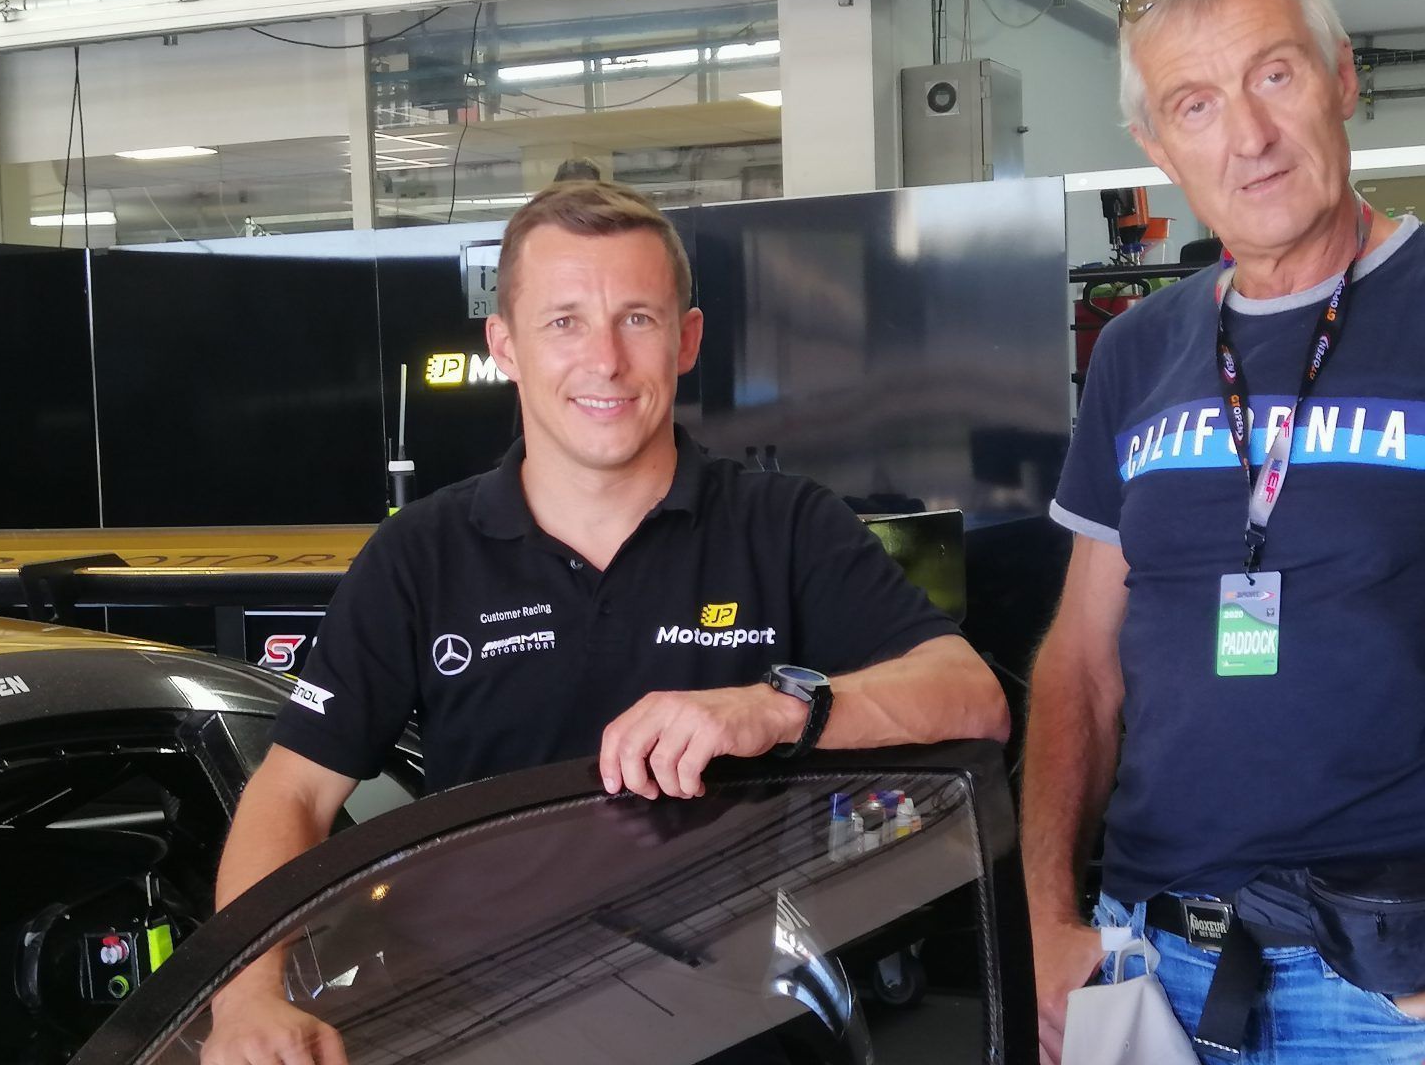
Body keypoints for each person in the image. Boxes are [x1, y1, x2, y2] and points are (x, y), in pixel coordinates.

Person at [205, 179, 1008, 1064]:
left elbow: (972, 698)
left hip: (736, 1035)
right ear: (505, 347)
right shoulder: (420, 556)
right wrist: (247, 995)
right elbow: (292, 791)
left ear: (686, 340)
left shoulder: (784, 527)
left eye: (637, 319)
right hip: (481, 1038)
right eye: (564, 322)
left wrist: (779, 709)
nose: (606, 360)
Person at [1023, 0, 1425, 1065]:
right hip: (1152, 964)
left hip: (1391, 983)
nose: (1247, 136)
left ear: (1342, 77)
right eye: (1195, 105)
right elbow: (1080, 662)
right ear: (1157, 145)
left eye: (1274, 75)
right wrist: (1047, 920)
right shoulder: (1137, 352)